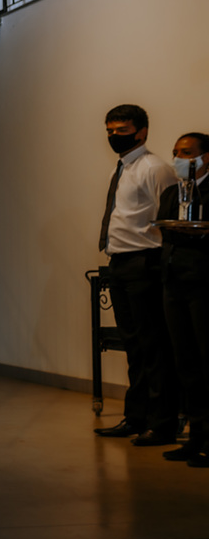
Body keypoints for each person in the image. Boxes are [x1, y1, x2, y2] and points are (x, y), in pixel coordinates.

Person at [94, 105, 180, 445]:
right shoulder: (123, 168)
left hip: (145, 262)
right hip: (120, 263)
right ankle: (136, 416)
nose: (115, 136)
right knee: (134, 346)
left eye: (122, 130)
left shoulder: (155, 168)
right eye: (110, 131)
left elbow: (168, 218)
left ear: (141, 131)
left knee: (153, 346)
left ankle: (162, 424)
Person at [158, 133, 209, 466]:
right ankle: (196, 438)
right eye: (175, 153)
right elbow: (166, 230)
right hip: (174, 283)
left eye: (187, 153)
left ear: (206, 157)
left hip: (204, 284)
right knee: (186, 363)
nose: (179, 159)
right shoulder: (171, 192)